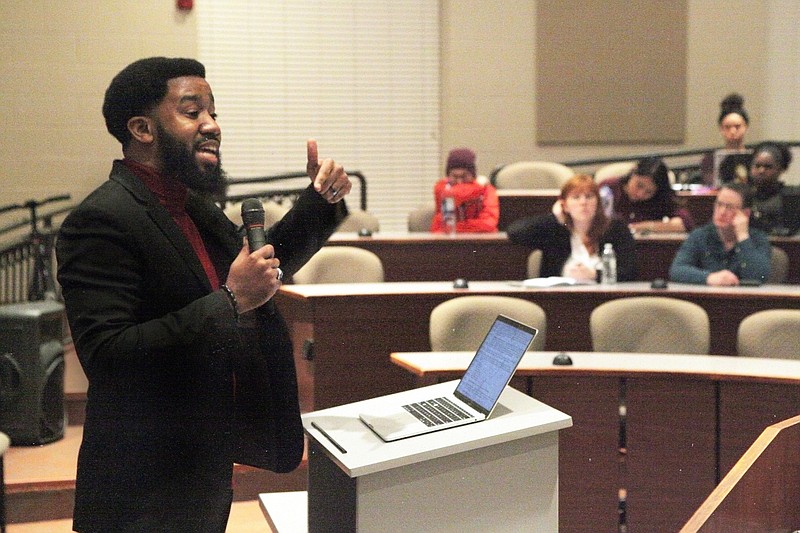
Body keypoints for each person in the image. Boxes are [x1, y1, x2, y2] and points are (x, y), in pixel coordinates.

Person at [56, 57, 351, 532]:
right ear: (142, 128)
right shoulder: (101, 220)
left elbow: (260, 271)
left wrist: (319, 202)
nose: (212, 125)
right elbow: (108, 357)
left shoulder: (191, 206)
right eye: (192, 112)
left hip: (203, 463)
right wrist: (230, 299)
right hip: (142, 486)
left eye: (213, 112)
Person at [506, 174, 636, 281]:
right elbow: (514, 233)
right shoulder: (555, 229)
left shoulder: (615, 228)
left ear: (598, 202)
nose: (583, 202)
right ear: (565, 205)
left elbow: (629, 271)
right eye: (576, 197)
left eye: (589, 196)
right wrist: (555, 217)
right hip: (560, 299)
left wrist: (594, 274)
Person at [669, 182, 770, 286]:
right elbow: (677, 270)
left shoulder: (758, 238)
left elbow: (759, 277)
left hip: (744, 300)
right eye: (719, 204)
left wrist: (743, 237)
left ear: (745, 213)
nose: (722, 211)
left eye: (729, 207)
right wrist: (709, 278)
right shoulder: (700, 235)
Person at [597, 157, 694, 233]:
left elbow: (686, 223)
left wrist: (644, 226)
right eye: (639, 185)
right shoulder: (609, 187)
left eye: (649, 192)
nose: (640, 194)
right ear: (633, 173)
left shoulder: (660, 197)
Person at [430, 148, 499, 233]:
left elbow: (488, 224)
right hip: (450, 242)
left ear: (473, 175)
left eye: (464, 176)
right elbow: (445, 225)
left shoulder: (487, 190)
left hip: (481, 241)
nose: (459, 182)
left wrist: (457, 227)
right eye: (454, 177)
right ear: (448, 176)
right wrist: (478, 188)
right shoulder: (443, 188)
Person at [748, 141, 800, 236]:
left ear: (781, 169)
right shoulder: (743, 196)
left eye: (768, 167)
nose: (761, 170)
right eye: (757, 166)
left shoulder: (793, 197)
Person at [699, 93, 750, 186]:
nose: (733, 131)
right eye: (727, 127)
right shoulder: (709, 161)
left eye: (737, 126)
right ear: (721, 129)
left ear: (746, 127)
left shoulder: (754, 158)